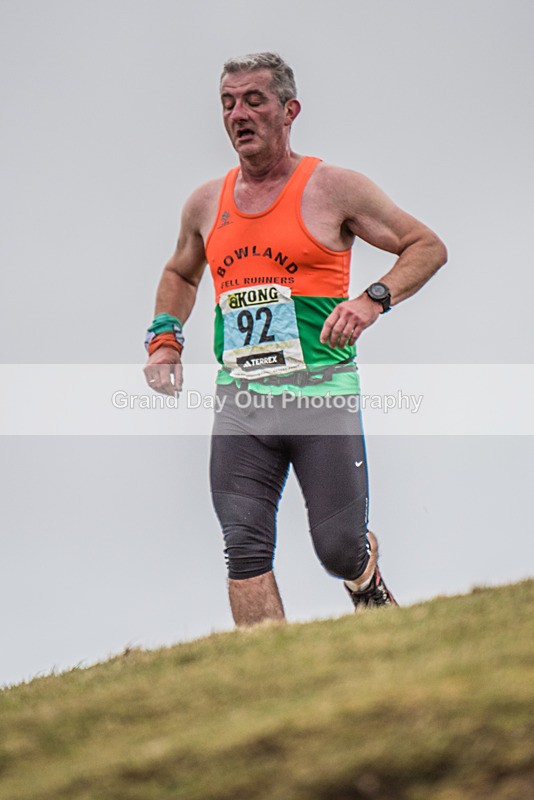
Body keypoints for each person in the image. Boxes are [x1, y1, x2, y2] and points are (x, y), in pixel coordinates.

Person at [143, 52, 447, 627]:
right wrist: (164, 339)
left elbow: (425, 245)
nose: (239, 113)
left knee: (336, 549)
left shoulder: (334, 188)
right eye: (228, 103)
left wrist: (371, 300)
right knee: (245, 547)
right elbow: (181, 273)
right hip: (243, 401)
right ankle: (270, 678)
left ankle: (364, 573)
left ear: (290, 111)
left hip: (321, 393)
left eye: (254, 100)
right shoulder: (207, 203)